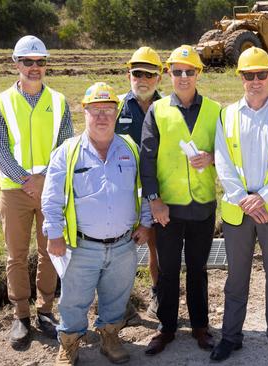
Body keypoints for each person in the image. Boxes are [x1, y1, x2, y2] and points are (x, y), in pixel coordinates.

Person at [41, 82, 152, 365]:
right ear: (85, 112)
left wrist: (146, 223)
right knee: (73, 300)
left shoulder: (129, 147)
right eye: (95, 110)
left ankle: (110, 337)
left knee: (116, 296)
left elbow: (145, 188)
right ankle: (69, 344)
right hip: (82, 246)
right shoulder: (67, 152)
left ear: (116, 113)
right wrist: (54, 235)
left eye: (108, 110)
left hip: (124, 244)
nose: (102, 116)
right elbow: (52, 198)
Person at [211, 47, 268, 362]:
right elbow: (223, 165)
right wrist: (245, 200)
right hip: (240, 210)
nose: (255, 81)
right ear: (240, 78)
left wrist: (261, 197)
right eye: (248, 75)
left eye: (261, 74)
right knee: (236, 277)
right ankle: (230, 337)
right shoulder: (227, 115)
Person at [0, 35, 73, 349]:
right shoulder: (1, 102)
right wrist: (27, 180)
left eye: (40, 62)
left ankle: (46, 311)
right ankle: (21, 315)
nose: (34, 68)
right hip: (14, 191)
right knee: (17, 255)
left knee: (51, 250)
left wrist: (44, 179)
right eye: (28, 61)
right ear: (16, 63)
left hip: (50, 190)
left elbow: (66, 147)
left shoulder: (60, 101)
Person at [141, 45, 221, 355]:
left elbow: (229, 154)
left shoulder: (215, 110)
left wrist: (212, 157)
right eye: (177, 72)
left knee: (198, 268)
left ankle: (201, 325)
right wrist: (154, 200)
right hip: (168, 210)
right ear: (169, 75)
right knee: (168, 269)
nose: (184, 76)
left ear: (199, 73)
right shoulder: (158, 111)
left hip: (202, 206)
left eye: (190, 71)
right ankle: (167, 327)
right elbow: (147, 161)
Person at [116, 46, 164, 319]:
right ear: (129, 75)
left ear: (159, 77)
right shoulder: (117, 107)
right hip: (124, 191)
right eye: (137, 73)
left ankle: (158, 295)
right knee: (121, 251)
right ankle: (120, 304)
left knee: (157, 246)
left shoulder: (167, 108)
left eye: (149, 73)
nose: (142, 79)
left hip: (157, 190)